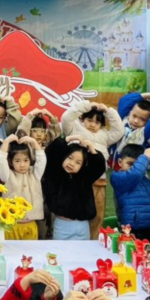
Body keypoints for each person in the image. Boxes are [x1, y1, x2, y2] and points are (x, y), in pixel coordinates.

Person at [62, 101, 126, 238]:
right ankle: (73, 239)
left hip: (99, 181)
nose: (92, 124)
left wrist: (108, 111)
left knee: (97, 214)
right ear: (82, 118)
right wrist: (85, 106)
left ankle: (94, 240)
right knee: (75, 211)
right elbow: (66, 118)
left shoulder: (105, 135)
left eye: (97, 122)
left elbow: (119, 131)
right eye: (89, 120)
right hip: (77, 180)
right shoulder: (75, 128)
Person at [42, 136, 106, 241]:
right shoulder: (55, 174)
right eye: (70, 158)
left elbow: (98, 167)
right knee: (61, 251)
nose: (72, 164)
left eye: (78, 162)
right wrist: (68, 139)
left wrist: (91, 148)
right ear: (63, 157)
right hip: (62, 225)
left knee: (82, 251)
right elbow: (51, 153)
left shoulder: (84, 178)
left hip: (83, 226)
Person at [109, 143, 150, 243]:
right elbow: (135, 174)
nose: (134, 167)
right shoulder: (117, 177)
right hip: (132, 229)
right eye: (130, 164)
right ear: (120, 162)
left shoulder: (144, 180)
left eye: (138, 164)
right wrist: (145, 157)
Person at [0, 136, 45, 240]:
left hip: (30, 225)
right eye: (17, 161)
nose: (22, 165)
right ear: (10, 162)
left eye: (26, 160)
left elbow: (42, 160)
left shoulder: (35, 174)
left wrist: (33, 142)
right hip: (11, 226)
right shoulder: (7, 175)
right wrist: (6, 142)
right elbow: (1, 161)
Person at [115, 91, 150, 157]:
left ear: (149, 121)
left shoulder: (145, 133)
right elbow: (124, 101)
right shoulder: (123, 120)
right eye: (134, 116)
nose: (136, 121)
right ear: (130, 112)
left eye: (142, 119)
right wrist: (143, 96)